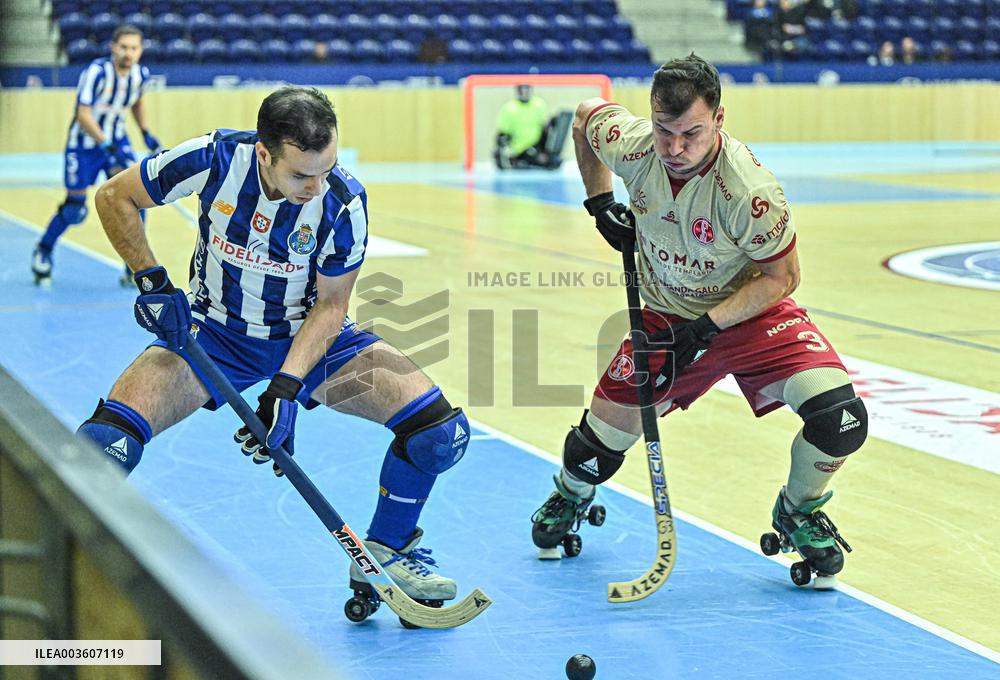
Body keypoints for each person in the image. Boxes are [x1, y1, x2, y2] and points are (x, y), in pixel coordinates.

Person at [76, 86, 470, 606]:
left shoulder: (343, 202)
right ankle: (68, 571)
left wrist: (286, 386)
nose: (316, 186)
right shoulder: (212, 159)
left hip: (314, 341)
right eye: (301, 174)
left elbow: (330, 307)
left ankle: (389, 551)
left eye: (325, 169)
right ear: (264, 153)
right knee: (101, 448)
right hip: (212, 336)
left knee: (441, 435)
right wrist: (151, 280)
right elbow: (114, 197)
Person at [530, 55, 867, 582]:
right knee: (592, 450)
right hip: (667, 317)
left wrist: (707, 328)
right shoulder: (636, 144)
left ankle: (799, 509)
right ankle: (571, 494)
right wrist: (599, 205)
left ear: (720, 119)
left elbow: (781, 278)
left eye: (692, 133)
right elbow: (584, 118)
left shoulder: (751, 193)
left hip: (753, 315)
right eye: (665, 131)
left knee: (841, 420)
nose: (675, 149)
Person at [31, 24, 161, 286]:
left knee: (135, 199)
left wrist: (145, 131)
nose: (128, 53)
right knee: (74, 209)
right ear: (113, 48)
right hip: (84, 145)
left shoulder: (140, 75)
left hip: (116, 140)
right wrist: (104, 143)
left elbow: (137, 102)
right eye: (123, 47)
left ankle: (135, 264)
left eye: (134, 48)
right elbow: (83, 114)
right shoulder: (96, 72)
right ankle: (43, 251)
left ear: (140, 50)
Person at [494, 84, 571, 170]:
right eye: (522, 89)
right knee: (543, 160)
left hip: (537, 146)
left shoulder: (539, 104)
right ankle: (517, 160)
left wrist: (554, 121)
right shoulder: (509, 108)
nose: (525, 92)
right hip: (519, 149)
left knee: (553, 161)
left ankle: (539, 158)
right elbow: (502, 133)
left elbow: (544, 127)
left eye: (527, 89)